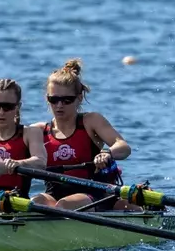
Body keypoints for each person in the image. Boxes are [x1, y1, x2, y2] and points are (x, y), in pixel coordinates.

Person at [22, 58, 133, 210]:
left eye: (67, 100)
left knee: (64, 205)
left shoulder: (91, 121)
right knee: (33, 203)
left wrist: (107, 153)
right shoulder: (37, 131)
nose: (59, 105)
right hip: (53, 194)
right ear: (47, 99)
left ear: (79, 98)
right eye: (54, 99)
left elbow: (124, 147)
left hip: (94, 195)